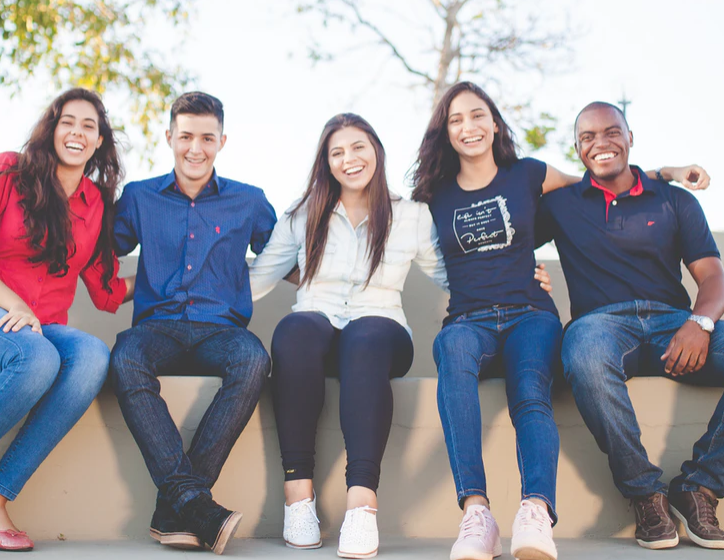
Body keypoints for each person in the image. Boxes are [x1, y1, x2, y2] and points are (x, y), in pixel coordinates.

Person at [410, 82, 701, 560]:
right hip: (467, 318)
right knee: (452, 355)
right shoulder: (432, 195)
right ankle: (477, 513)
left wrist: (665, 172)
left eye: (478, 115)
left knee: (530, 392)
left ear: (495, 123)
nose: (469, 127)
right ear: (444, 132)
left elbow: (601, 181)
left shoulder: (529, 174)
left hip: (531, 314)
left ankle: (536, 512)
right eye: (456, 119)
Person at [248, 113, 458, 558]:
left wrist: (515, 279)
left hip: (381, 332)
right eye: (337, 152)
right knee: (295, 329)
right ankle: (298, 497)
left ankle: (362, 505)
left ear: (376, 151)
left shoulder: (411, 216)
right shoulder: (303, 215)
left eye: (358, 147)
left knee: (364, 337)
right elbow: (258, 278)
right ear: (326, 162)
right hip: (317, 330)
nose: (350, 159)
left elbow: (450, 275)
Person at [536, 101, 722, 551]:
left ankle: (700, 485)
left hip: (674, 325)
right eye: (587, 138)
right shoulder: (560, 204)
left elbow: (713, 275)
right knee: (582, 354)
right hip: (600, 326)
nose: (600, 143)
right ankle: (645, 494)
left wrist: (701, 321)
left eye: (611, 132)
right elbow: (507, 198)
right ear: (577, 150)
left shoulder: (674, 199)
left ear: (630, 137)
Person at [0, 88, 131, 553]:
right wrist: (14, 303)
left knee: (93, 356)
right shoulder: (8, 170)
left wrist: (177, 278)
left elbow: (106, 288)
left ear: (99, 142)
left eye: (88, 126)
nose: (76, 132)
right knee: (37, 359)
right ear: (52, 129)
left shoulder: (96, 203)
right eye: (67, 122)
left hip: (41, 326)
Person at [109, 91, 276, 555]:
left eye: (207, 137)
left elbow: (290, 254)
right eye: (186, 137)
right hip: (155, 328)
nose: (195, 148)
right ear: (169, 137)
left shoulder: (250, 201)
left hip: (221, 330)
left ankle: (179, 506)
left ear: (223, 140)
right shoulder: (139, 196)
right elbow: (99, 249)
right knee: (124, 358)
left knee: (253, 360)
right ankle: (196, 505)